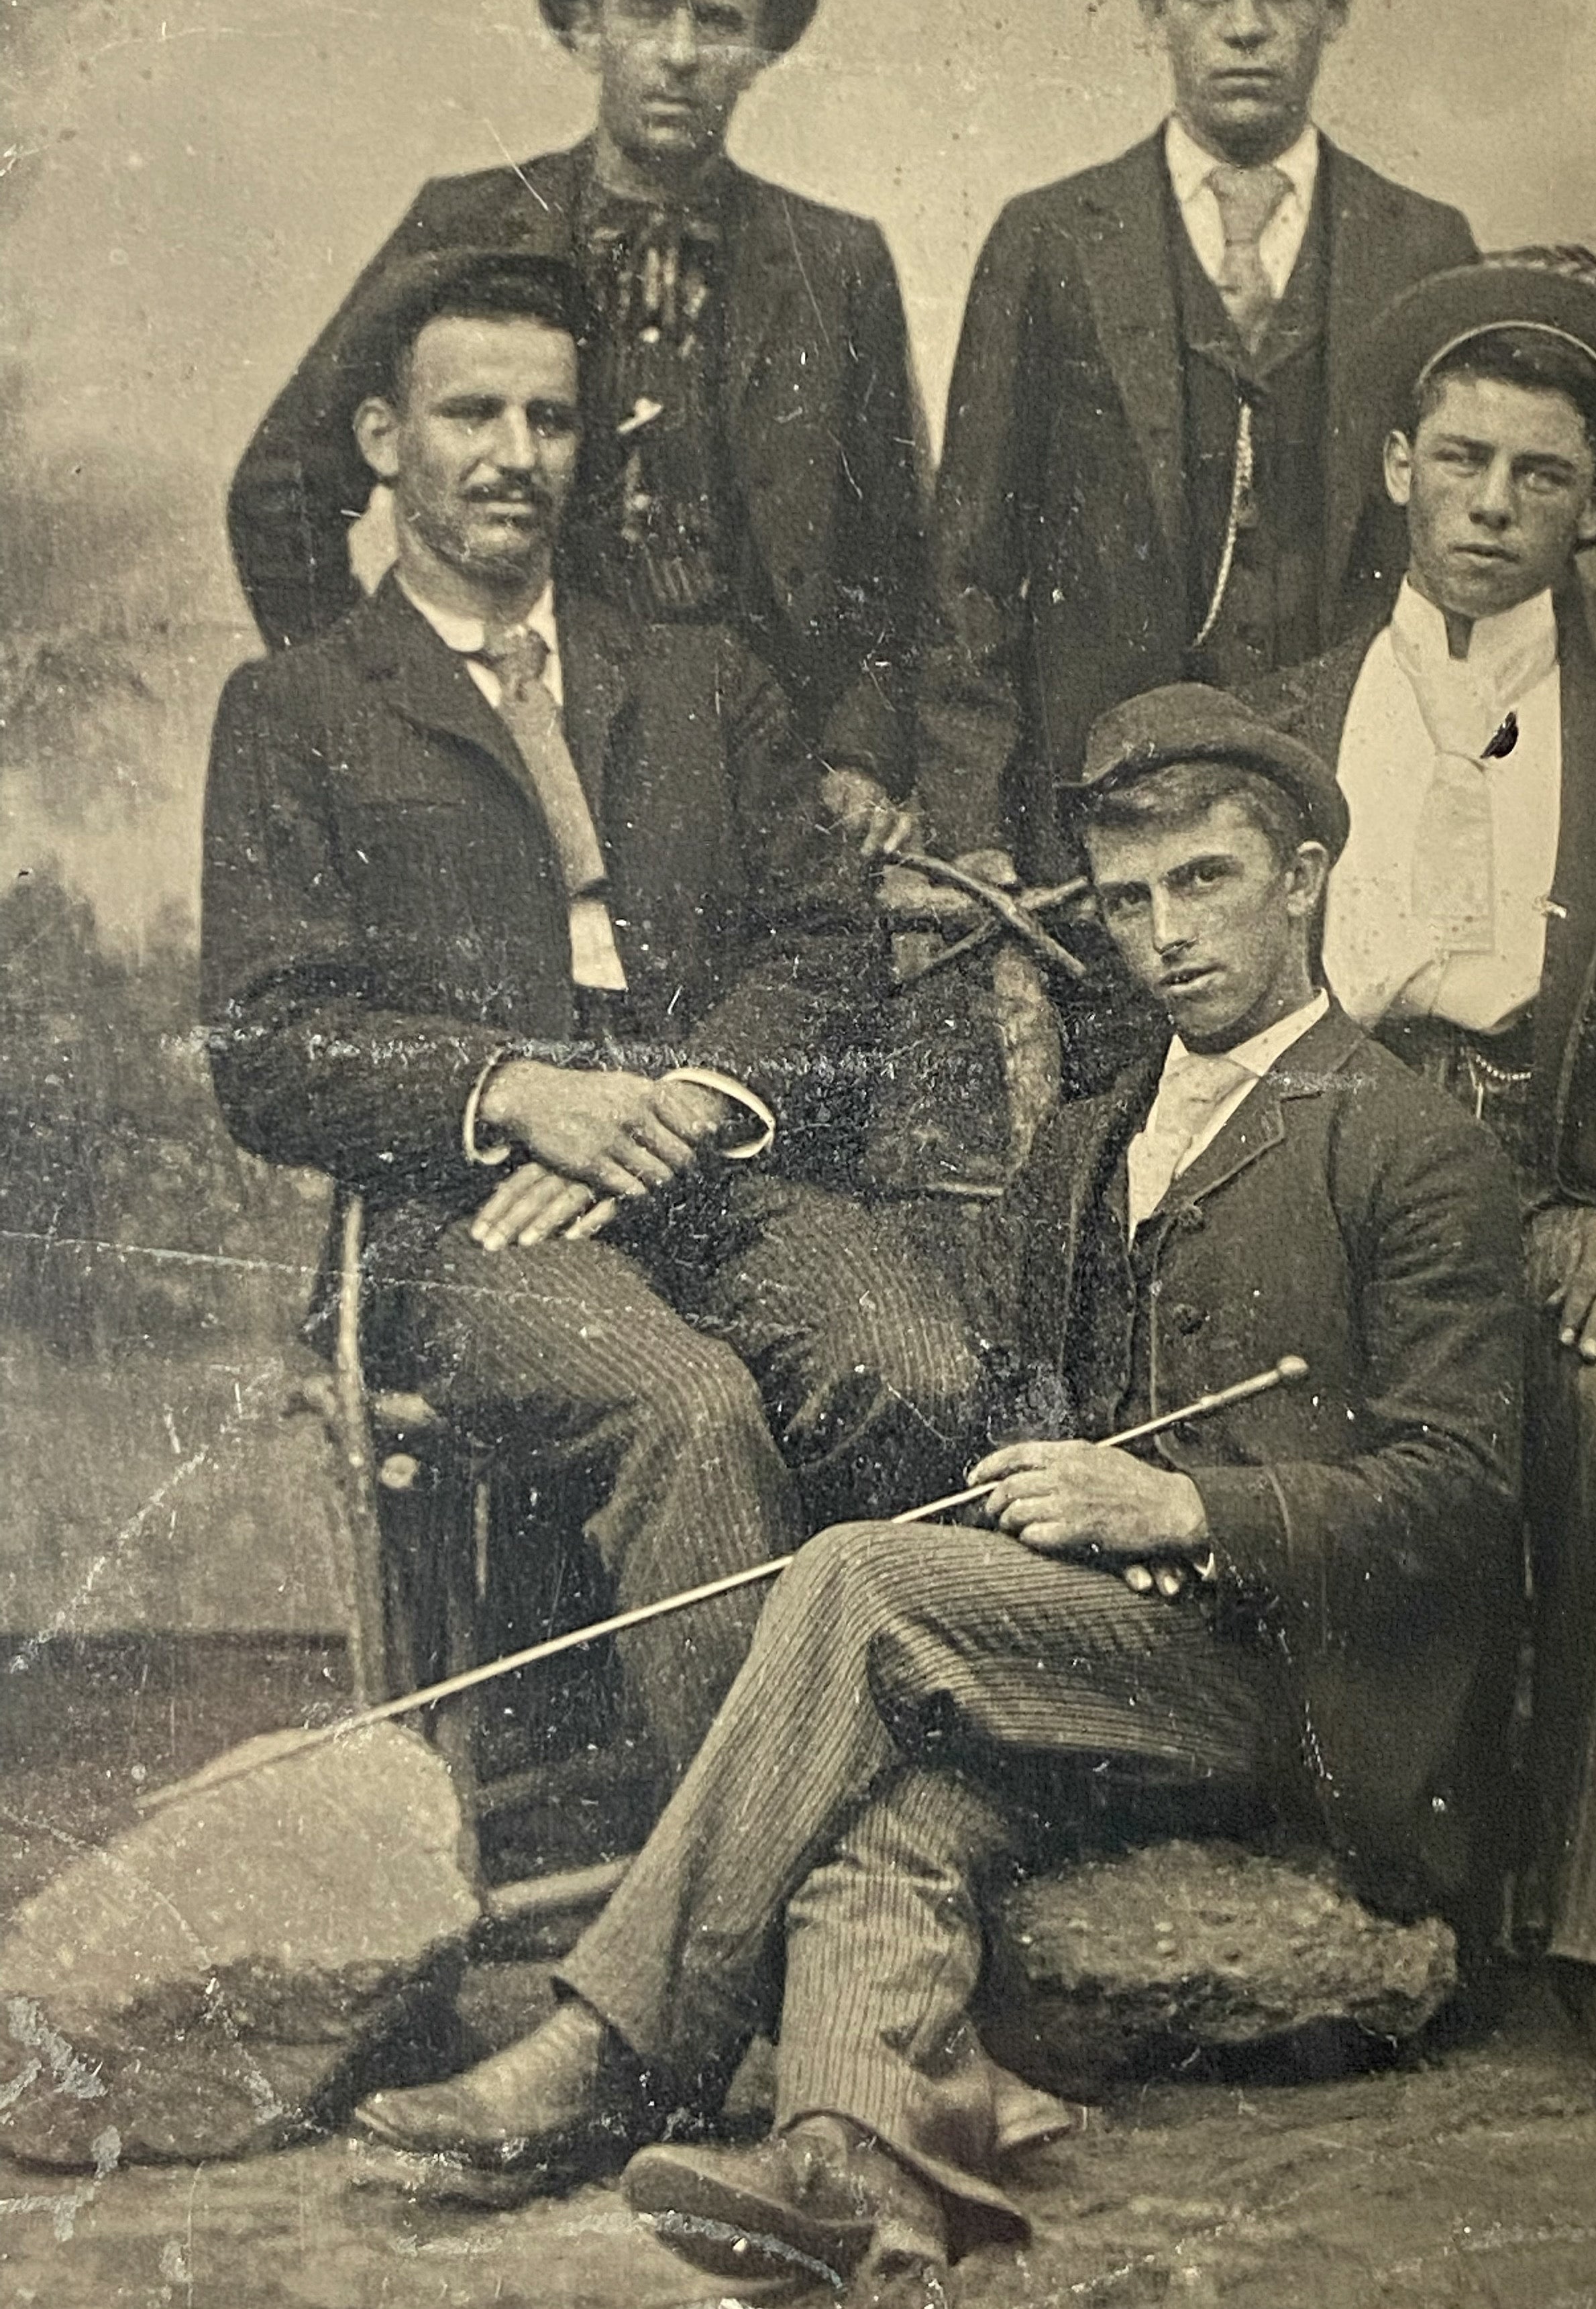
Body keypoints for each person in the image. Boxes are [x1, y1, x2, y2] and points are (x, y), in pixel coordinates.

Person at [350, 684, 1526, 2308]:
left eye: (1207, 883)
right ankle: (857, 2178)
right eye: (1126, 902)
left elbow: (1466, 1502)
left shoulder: (1410, 1145)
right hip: (1105, 1672)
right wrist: (1036, 1481)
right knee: (880, 1820)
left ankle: (613, 2039)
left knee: (857, 1580)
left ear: (1309, 877)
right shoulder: (1089, 1143)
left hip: (1302, 1692)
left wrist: (1181, 1514)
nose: (1165, 935)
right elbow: (1034, 1400)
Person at [200, 248, 975, 1784]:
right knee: (686, 1410)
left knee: (922, 1367)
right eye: (470, 413)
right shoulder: (299, 709)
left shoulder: (701, 677)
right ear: (379, 441)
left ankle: (896, 1817)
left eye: (551, 420)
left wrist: (676, 1110)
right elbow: (269, 1043)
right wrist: (514, 1096)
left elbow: (824, 944)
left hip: (718, 1167)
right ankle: (764, 1912)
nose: (514, 457)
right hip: (466, 1221)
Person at [1253, 262, 1596, 2108]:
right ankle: (1322, 1871)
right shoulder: (1276, 715)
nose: (1495, 505)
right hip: (1316, 1196)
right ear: (1402, 466)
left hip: (1550, 1194)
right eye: (1466, 459)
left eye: (1543, 477)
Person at [227, 0, 929, 849]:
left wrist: (860, 755)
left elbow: (899, 557)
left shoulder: (833, 259)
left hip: (759, 767)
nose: (680, 53)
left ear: (763, 48)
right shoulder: (468, 222)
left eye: (720, 22)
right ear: (584, 27)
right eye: (648, 12)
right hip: (520, 735)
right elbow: (284, 487)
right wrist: (383, 702)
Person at [916, 0, 1476, 920]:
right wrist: (973, 838)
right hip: (1093, 843)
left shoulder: (1425, 248)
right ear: (1151, 12)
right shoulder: (1050, 240)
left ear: (1338, 5)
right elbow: (969, 571)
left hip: (1351, 830)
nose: (1247, 27)